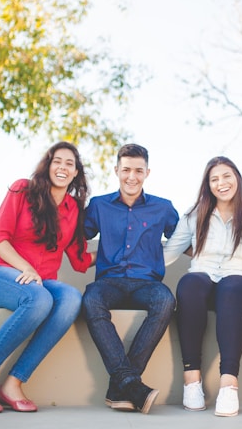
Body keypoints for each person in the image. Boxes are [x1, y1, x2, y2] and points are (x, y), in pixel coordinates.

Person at [163, 156, 242, 417]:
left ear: (237, 177)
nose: (221, 183)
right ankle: (192, 381)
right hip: (202, 280)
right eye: (214, 179)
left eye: (226, 176)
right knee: (190, 284)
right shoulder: (194, 216)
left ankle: (229, 384)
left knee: (231, 288)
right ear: (208, 185)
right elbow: (168, 254)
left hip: (240, 282)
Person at [0, 141, 95, 414]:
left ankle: (13, 383)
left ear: (75, 173)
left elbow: (79, 258)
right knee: (38, 300)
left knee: (71, 298)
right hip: (4, 271)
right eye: (57, 161)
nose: (62, 167)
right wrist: (25, 267)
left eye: (69, 164)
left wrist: (121, 252)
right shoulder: (22, 189)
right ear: (48, 165)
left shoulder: (73, 209)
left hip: (42, 281)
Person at [82, 143, 179, 415]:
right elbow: (75, 236)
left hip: (147, 284)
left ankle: (122, 385)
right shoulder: (99, 205)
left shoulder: (163, 207)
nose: (132, 177)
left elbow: (186, 237)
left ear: (148, 172)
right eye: (126, 170)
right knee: (90, 300)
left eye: (138, 170)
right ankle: (132, 385)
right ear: (116, 170)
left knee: (165, 301)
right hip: (108, 282)